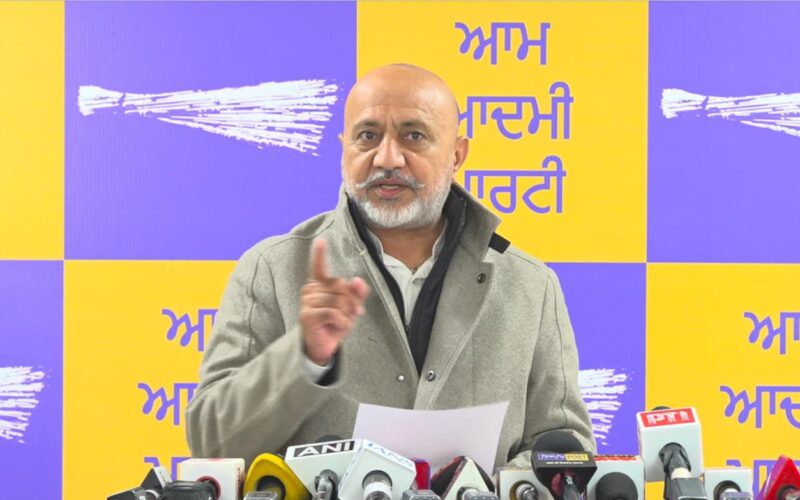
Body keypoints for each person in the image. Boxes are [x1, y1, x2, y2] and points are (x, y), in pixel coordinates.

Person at [185, 64, 595, 470]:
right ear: (344, 148)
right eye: (368, 136)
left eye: (413, 136)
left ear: (456, 155)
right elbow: (213, 442)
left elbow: (565, 444)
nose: (387, 158)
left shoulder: (530, 285)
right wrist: (303, 358)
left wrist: (490, 490)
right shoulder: (273, 270)